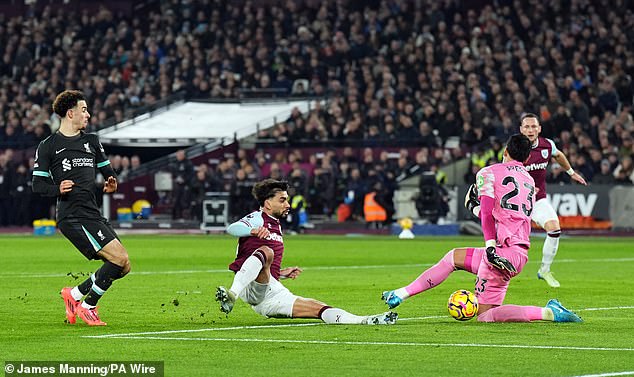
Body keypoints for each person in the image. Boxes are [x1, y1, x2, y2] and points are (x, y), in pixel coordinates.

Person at [381, 134, 582, 323]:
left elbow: (487, 213)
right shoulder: (529, 181)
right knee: (453, 257)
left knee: (485, 316)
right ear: (528, 157)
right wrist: (476, 209)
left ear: (505, 151)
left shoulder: (488, 173)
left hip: (500, 252)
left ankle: (548, 313)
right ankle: (400, 293)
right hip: (516, 252)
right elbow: (506, 215)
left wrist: (489, 242)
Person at [215, 179, 397, 325]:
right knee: (266, 251)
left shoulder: (276, 226)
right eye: (282, 200)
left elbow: (260, 264)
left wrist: (280, 273)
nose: (288, 204)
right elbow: (232, 228)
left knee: (319, 308)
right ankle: (232, 295)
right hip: (248, 287)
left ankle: (364, 320)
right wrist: (251, 230)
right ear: (267, 203)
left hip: (270, 294)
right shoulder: (258, 218)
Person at [31, 90, 131, 326]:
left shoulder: (92, 141)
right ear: (70, 113)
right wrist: (57, 188)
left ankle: (74, 295)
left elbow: (108, 171)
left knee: (124, 266)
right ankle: (88, 307)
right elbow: (38, 184)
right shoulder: (48, 146)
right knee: (119, 258)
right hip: (72, 215)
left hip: (92, 212)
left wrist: (111, 181)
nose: (88, 114)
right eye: (84, 109)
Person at [519, 113, 587, 287]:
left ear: (539, 128)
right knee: (506, 242)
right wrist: (524, 186)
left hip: (538, 200)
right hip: (516, 202)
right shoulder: (514, 148)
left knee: (555, 229)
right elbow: (505, 172)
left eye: (533, 126)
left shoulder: (547, 145)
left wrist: (571, 173)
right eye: (526, 126)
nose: (530, 130)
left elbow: (558, 155)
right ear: (521, 129)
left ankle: (544, 270)